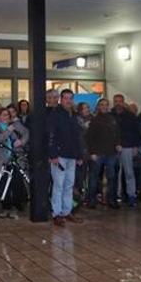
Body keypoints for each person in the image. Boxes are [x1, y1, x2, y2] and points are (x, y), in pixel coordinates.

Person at [47, 89, 84, 226]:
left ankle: (66, 212)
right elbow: (50, 135)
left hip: (72, 155)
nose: (68, 101)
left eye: (70, 98)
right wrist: (53, 154)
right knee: (58, 185)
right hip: (59, 156)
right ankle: (56, 214)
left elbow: (77, 136)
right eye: (66, 98)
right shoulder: (55, 114)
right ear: (61, 100)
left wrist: (79, 154)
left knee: (69, 185)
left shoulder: (73, 115)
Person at [0, 108, 29, 218]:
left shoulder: (16, 125)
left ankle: (16, 206)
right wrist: (8, 130)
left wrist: (21, 141)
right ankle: (5, 207)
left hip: (15, 158)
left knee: (16, 183)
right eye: (3, 115)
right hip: (1, 159)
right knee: (3, 184)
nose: (6, 117)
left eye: (7, 115)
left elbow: (26, 132)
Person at [82, 98, 120, 209]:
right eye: (102, 105)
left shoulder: (112, 119)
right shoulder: (94, 120)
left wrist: (118, 144)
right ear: (98, 106)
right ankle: (91, 200)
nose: (104, 107)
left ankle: (111, 200)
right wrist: (92, 152)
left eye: (106, 105)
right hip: (98, 153)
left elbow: (117, 134)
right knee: (94, 178)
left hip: (111, 153)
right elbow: (89, 138)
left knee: (112, 178)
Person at [113, 96, 141, 207]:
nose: (118, 103)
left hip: (127, 147)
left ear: (123, 102)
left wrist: (136, 146)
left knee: (129, 172)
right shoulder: (110, 115)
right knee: (114, 173)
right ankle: (116, 195)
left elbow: (136, 132)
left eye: (120, 101)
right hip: (113, 148)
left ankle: (131, 195)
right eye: (116, 101)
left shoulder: (130, 116)